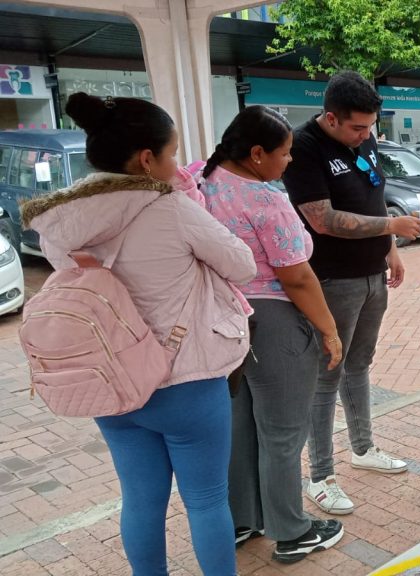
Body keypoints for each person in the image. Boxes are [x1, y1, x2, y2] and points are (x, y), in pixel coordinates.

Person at [22, 93, 257, 576]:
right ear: (147, 159)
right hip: (185, 378)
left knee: (141, 501)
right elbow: (243, 264)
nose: (176, 164)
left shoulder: (61, 220)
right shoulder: (169, 207)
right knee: (207, 501)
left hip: (111, 382)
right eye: (172, 154)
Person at [199, 106, 346, 564]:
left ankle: (242, 520)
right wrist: (329, 329)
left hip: (224, 321)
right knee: (283, 433)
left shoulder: (200, 184)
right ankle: (291, 530)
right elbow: (297, 278)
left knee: (240, 426)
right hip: (274, 321)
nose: (289, 163)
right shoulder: (265, 200)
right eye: (283, 155)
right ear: (257, 153)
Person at [282, 71, 420, 515]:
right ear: (330, 117)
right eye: (358, 128)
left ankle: (363, 448)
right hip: (330, 281)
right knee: (326, 375)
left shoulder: (364, 140)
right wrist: (391, 228)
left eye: (370, 127)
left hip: (371, 276)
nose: (366, 135)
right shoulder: (303, 148)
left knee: (359, 365)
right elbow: (323, 219)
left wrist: (390, 250)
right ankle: (320, 476)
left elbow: (374, 196)